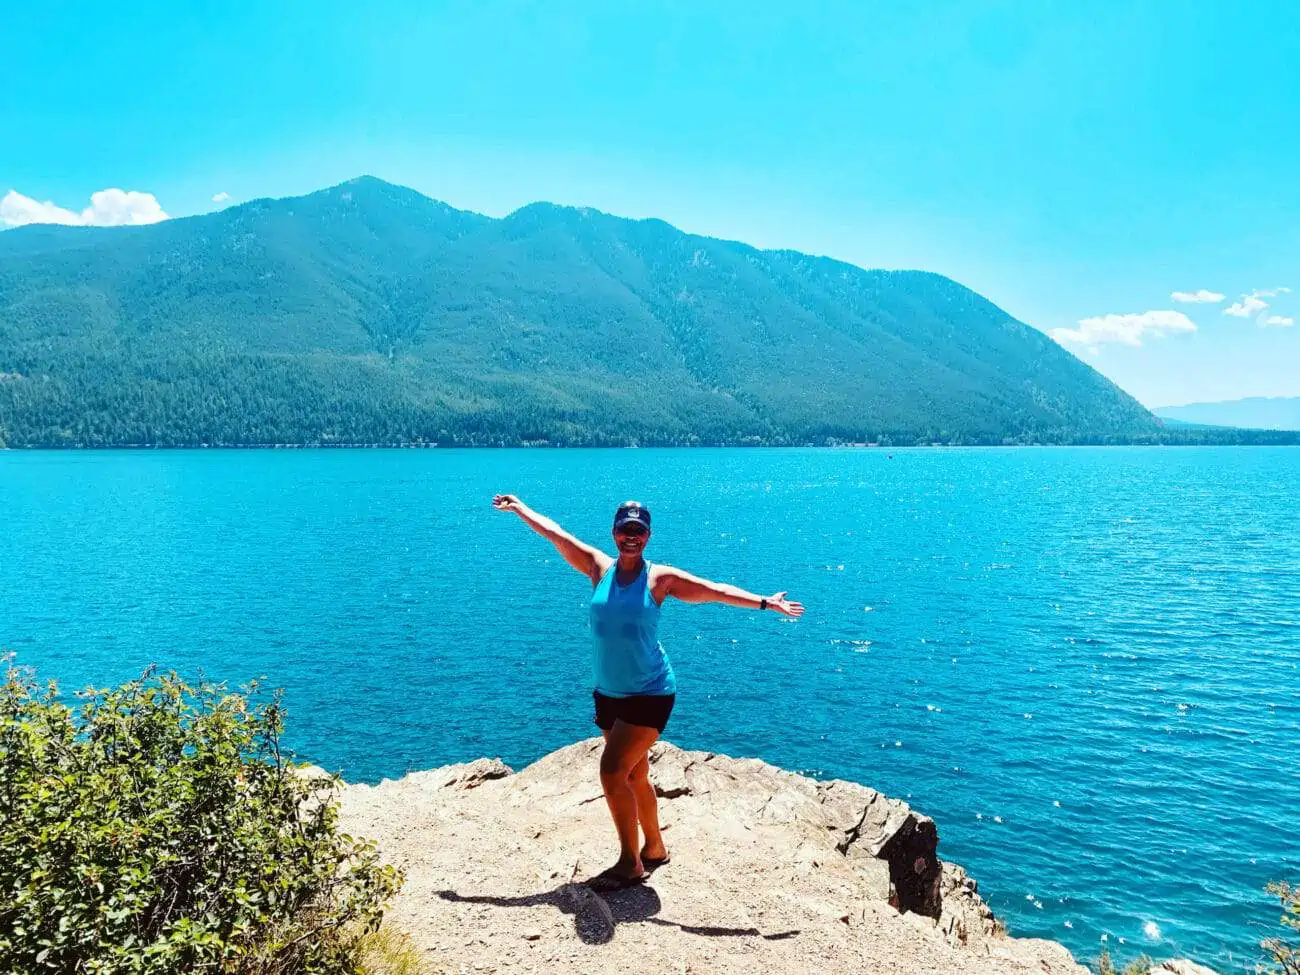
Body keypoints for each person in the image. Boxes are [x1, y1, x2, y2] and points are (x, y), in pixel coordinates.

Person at [492, 494, 805, 891]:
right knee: (636, 775)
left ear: (648, 536)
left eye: (638, 532)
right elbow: (555, 534)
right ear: (614, 533)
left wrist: (764, 603)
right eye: (625, 530)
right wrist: (520, 508)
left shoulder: (660, 579)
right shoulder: (597, 566)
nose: (631, 537)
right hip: (608, 694)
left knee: (610, 771)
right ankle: (654, 847)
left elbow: (714, 590)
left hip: (650, 693)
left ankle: (630, 862)